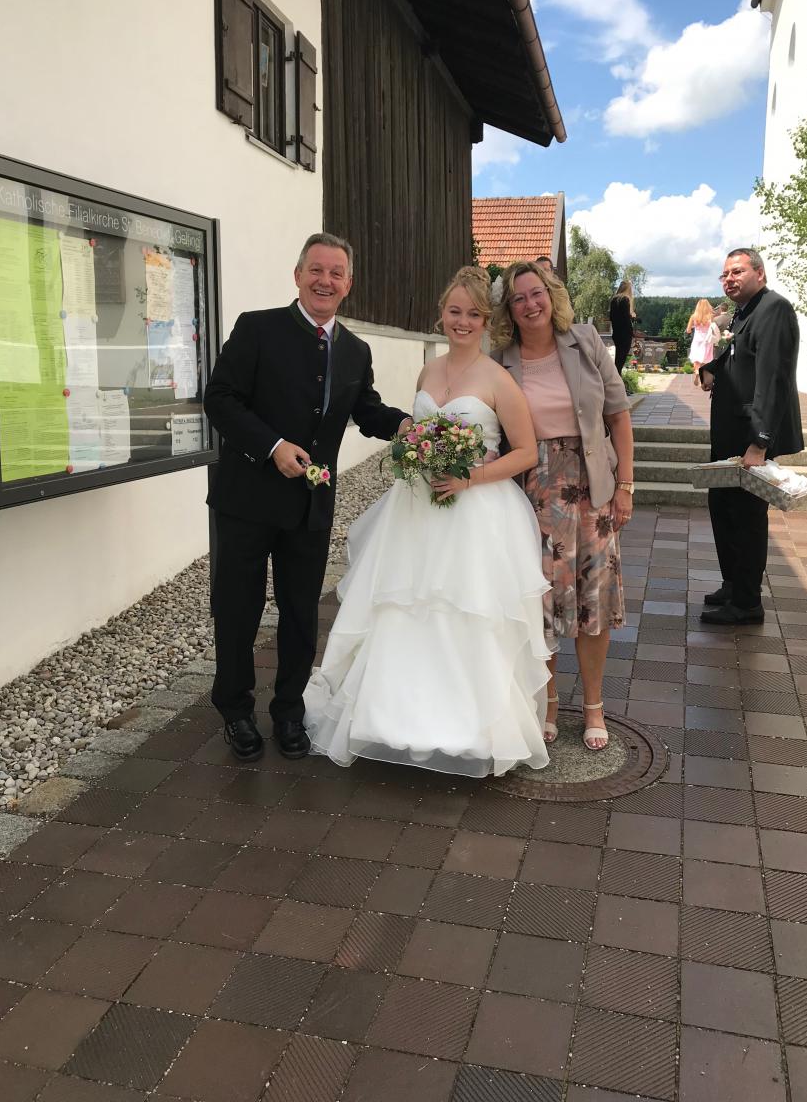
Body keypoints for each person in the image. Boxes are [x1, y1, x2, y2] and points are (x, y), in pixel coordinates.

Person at [303, 266, 550, 777]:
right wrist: (412, 456)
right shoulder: (427, 372)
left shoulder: (498, 379)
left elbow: (526, 452)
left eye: (473, 314)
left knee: (463, 611)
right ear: (441, 313)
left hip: (473, 512)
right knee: (402, 605)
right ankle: (392, 722)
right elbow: (412, 432)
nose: (462, 321)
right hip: (415, 508)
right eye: (455, 311)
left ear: (486, 320)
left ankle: (467, 733)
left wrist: (470, 477)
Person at [204, 233, 411, 762]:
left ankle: (289, 711)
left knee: (300, 613)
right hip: (246, 500)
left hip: (310, 505)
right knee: (238, 609)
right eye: (316, 270)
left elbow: (366, 410)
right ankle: (235, 710)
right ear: (298, 276)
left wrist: (410, 426)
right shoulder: (257, 328)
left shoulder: (356, 350)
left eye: (336, 273)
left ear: (348, 284)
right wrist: (271, 446)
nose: (325, 280)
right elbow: (220, 399)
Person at [492, 261, 633, 751]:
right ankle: (549, 700)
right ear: (509, 310)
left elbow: (618, 415)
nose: (530, 304)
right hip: (531, 490)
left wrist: (625, 485)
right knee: (541, 601)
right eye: (518, 298)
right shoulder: (501, 359)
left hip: (591, 485)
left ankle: (593, 705)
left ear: (551, 295)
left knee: (595, 598)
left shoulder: (586, 341)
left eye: (536, 293)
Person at [699, 248, 803, 625]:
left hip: (748, 438)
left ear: (760, 273)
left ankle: (747, 602)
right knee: (723, 508)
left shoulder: (774, 309)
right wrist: (712, 368)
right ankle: (733, 584)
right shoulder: (745, 312)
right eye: (725, 274)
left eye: (737, 271)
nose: (729, 279)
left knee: (746, 518)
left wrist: (760, 442)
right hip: (730, 435)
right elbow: (738, 356)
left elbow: (773, 378)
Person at [686, 298, 721, 386]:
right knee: (706, 360)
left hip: (697, 340)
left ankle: (697, 371)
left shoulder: (693, 316)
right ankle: (703, 378)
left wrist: (695, 327)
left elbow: (688, 330)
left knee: (696, 359)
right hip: (707, 340)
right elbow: (713, 327)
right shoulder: (711, 316)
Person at [609, 279, 636, 373]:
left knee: (618, 359)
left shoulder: (614, 300)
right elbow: (626, 318)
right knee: (621, 361)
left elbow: (611, 317)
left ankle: (616, 378)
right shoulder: (625, 299)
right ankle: (616, 379)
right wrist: (632, 317)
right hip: (625, 334)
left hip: (616, 333)